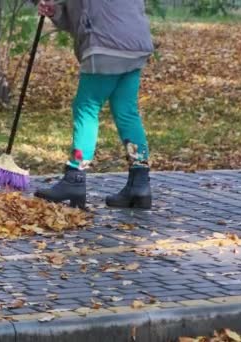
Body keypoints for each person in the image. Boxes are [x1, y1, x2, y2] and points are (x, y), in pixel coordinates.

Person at [34, 0, 154, 209]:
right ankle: (140, 181)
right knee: (127, 113)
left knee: (86, 108)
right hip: (136, 42)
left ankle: (75, 176)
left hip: (106, 43)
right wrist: (56, 10)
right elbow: (80, 12)